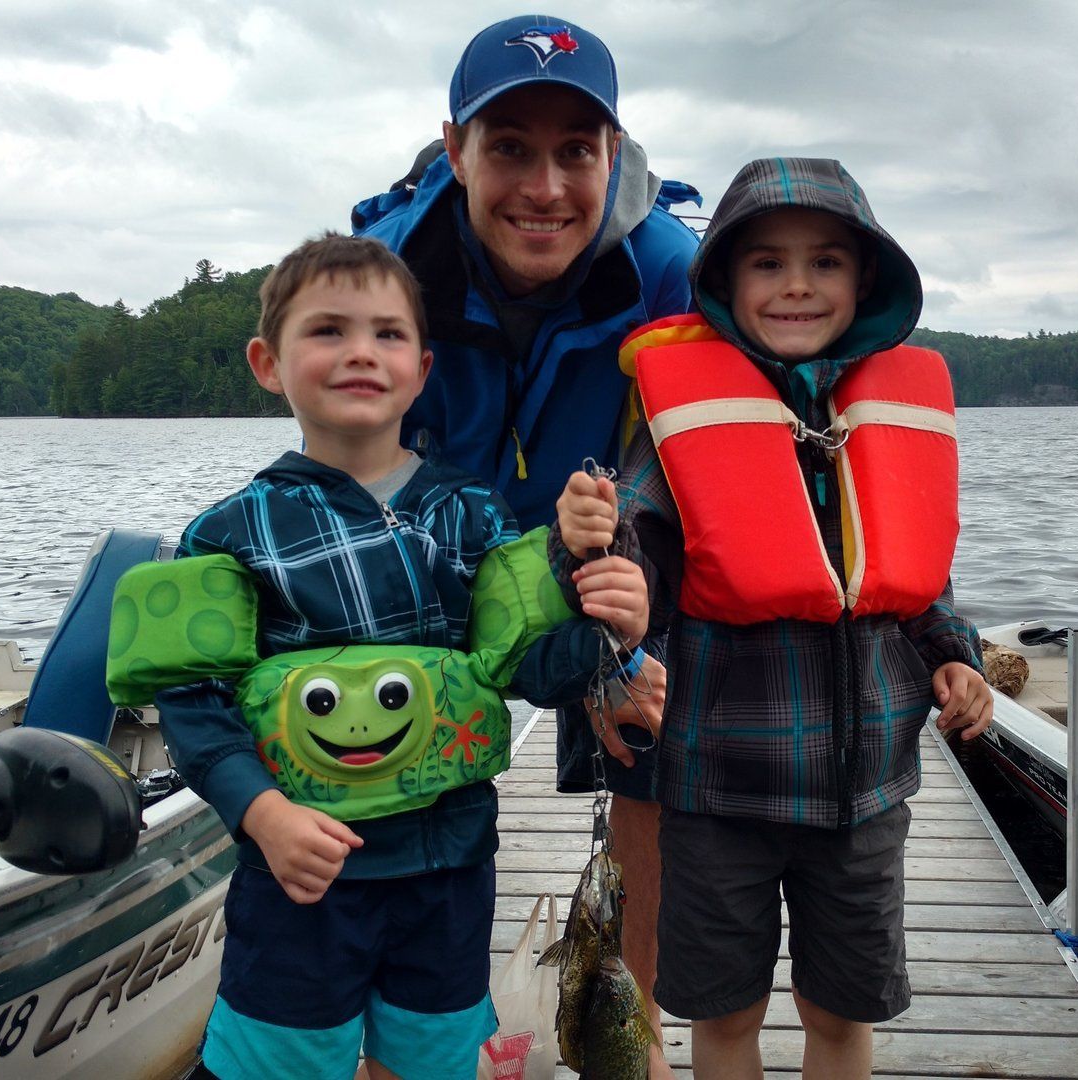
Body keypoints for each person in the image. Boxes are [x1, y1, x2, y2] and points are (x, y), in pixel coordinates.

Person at [154, 233, 649, 1080]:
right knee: (277, 1063)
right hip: (297, 880)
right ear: (267, 362)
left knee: (437, 1064)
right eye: (328, 331)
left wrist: (610, 631)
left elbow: (525, 669)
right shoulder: (223, 535)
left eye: (386, 334)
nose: (359, 353)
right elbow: (191, 704)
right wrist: (262, 814)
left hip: (448, 871)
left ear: (422, 370)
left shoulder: (472, 513)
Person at [553, 157, 995, 1075]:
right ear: (723, 281)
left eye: (826, 263)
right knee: (726, 1017)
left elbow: (923, 582)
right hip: (719, 791)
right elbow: (632, 567)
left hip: (868, 793)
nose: (797, 284)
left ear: (863, 281)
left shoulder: (891, 410)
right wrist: (590, 544)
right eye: (767, 264)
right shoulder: (680, 419)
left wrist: (956, 657)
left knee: (840, 1016)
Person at [351, 17, 697, 1074]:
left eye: (574, 152)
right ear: (454, 149)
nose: (543, 186)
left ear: (614, 153)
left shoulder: (670, 269)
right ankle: (394, 1049)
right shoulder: (391, 270)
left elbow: (689, 469)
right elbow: (356, 475)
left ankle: (624, 1045)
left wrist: (625, 650)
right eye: (510, 148)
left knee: (642, 763)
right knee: (383, 759)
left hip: (604, 546)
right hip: (439, 540)